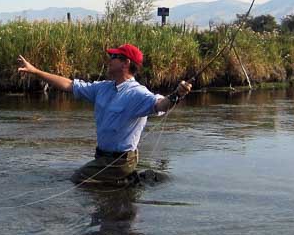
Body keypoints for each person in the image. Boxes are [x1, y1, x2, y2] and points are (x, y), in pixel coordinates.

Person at [17, 44, 190, 184]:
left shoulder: (137, 93)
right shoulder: (102, 88)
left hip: (121, 162)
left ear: (126, 63)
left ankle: (126, 182)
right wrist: (35, 71)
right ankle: (125, 184)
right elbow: (69, 85)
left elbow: (161, 104)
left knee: (78, 180)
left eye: (113, 57)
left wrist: (177, 94)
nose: (109, 60)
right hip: (102, 157)